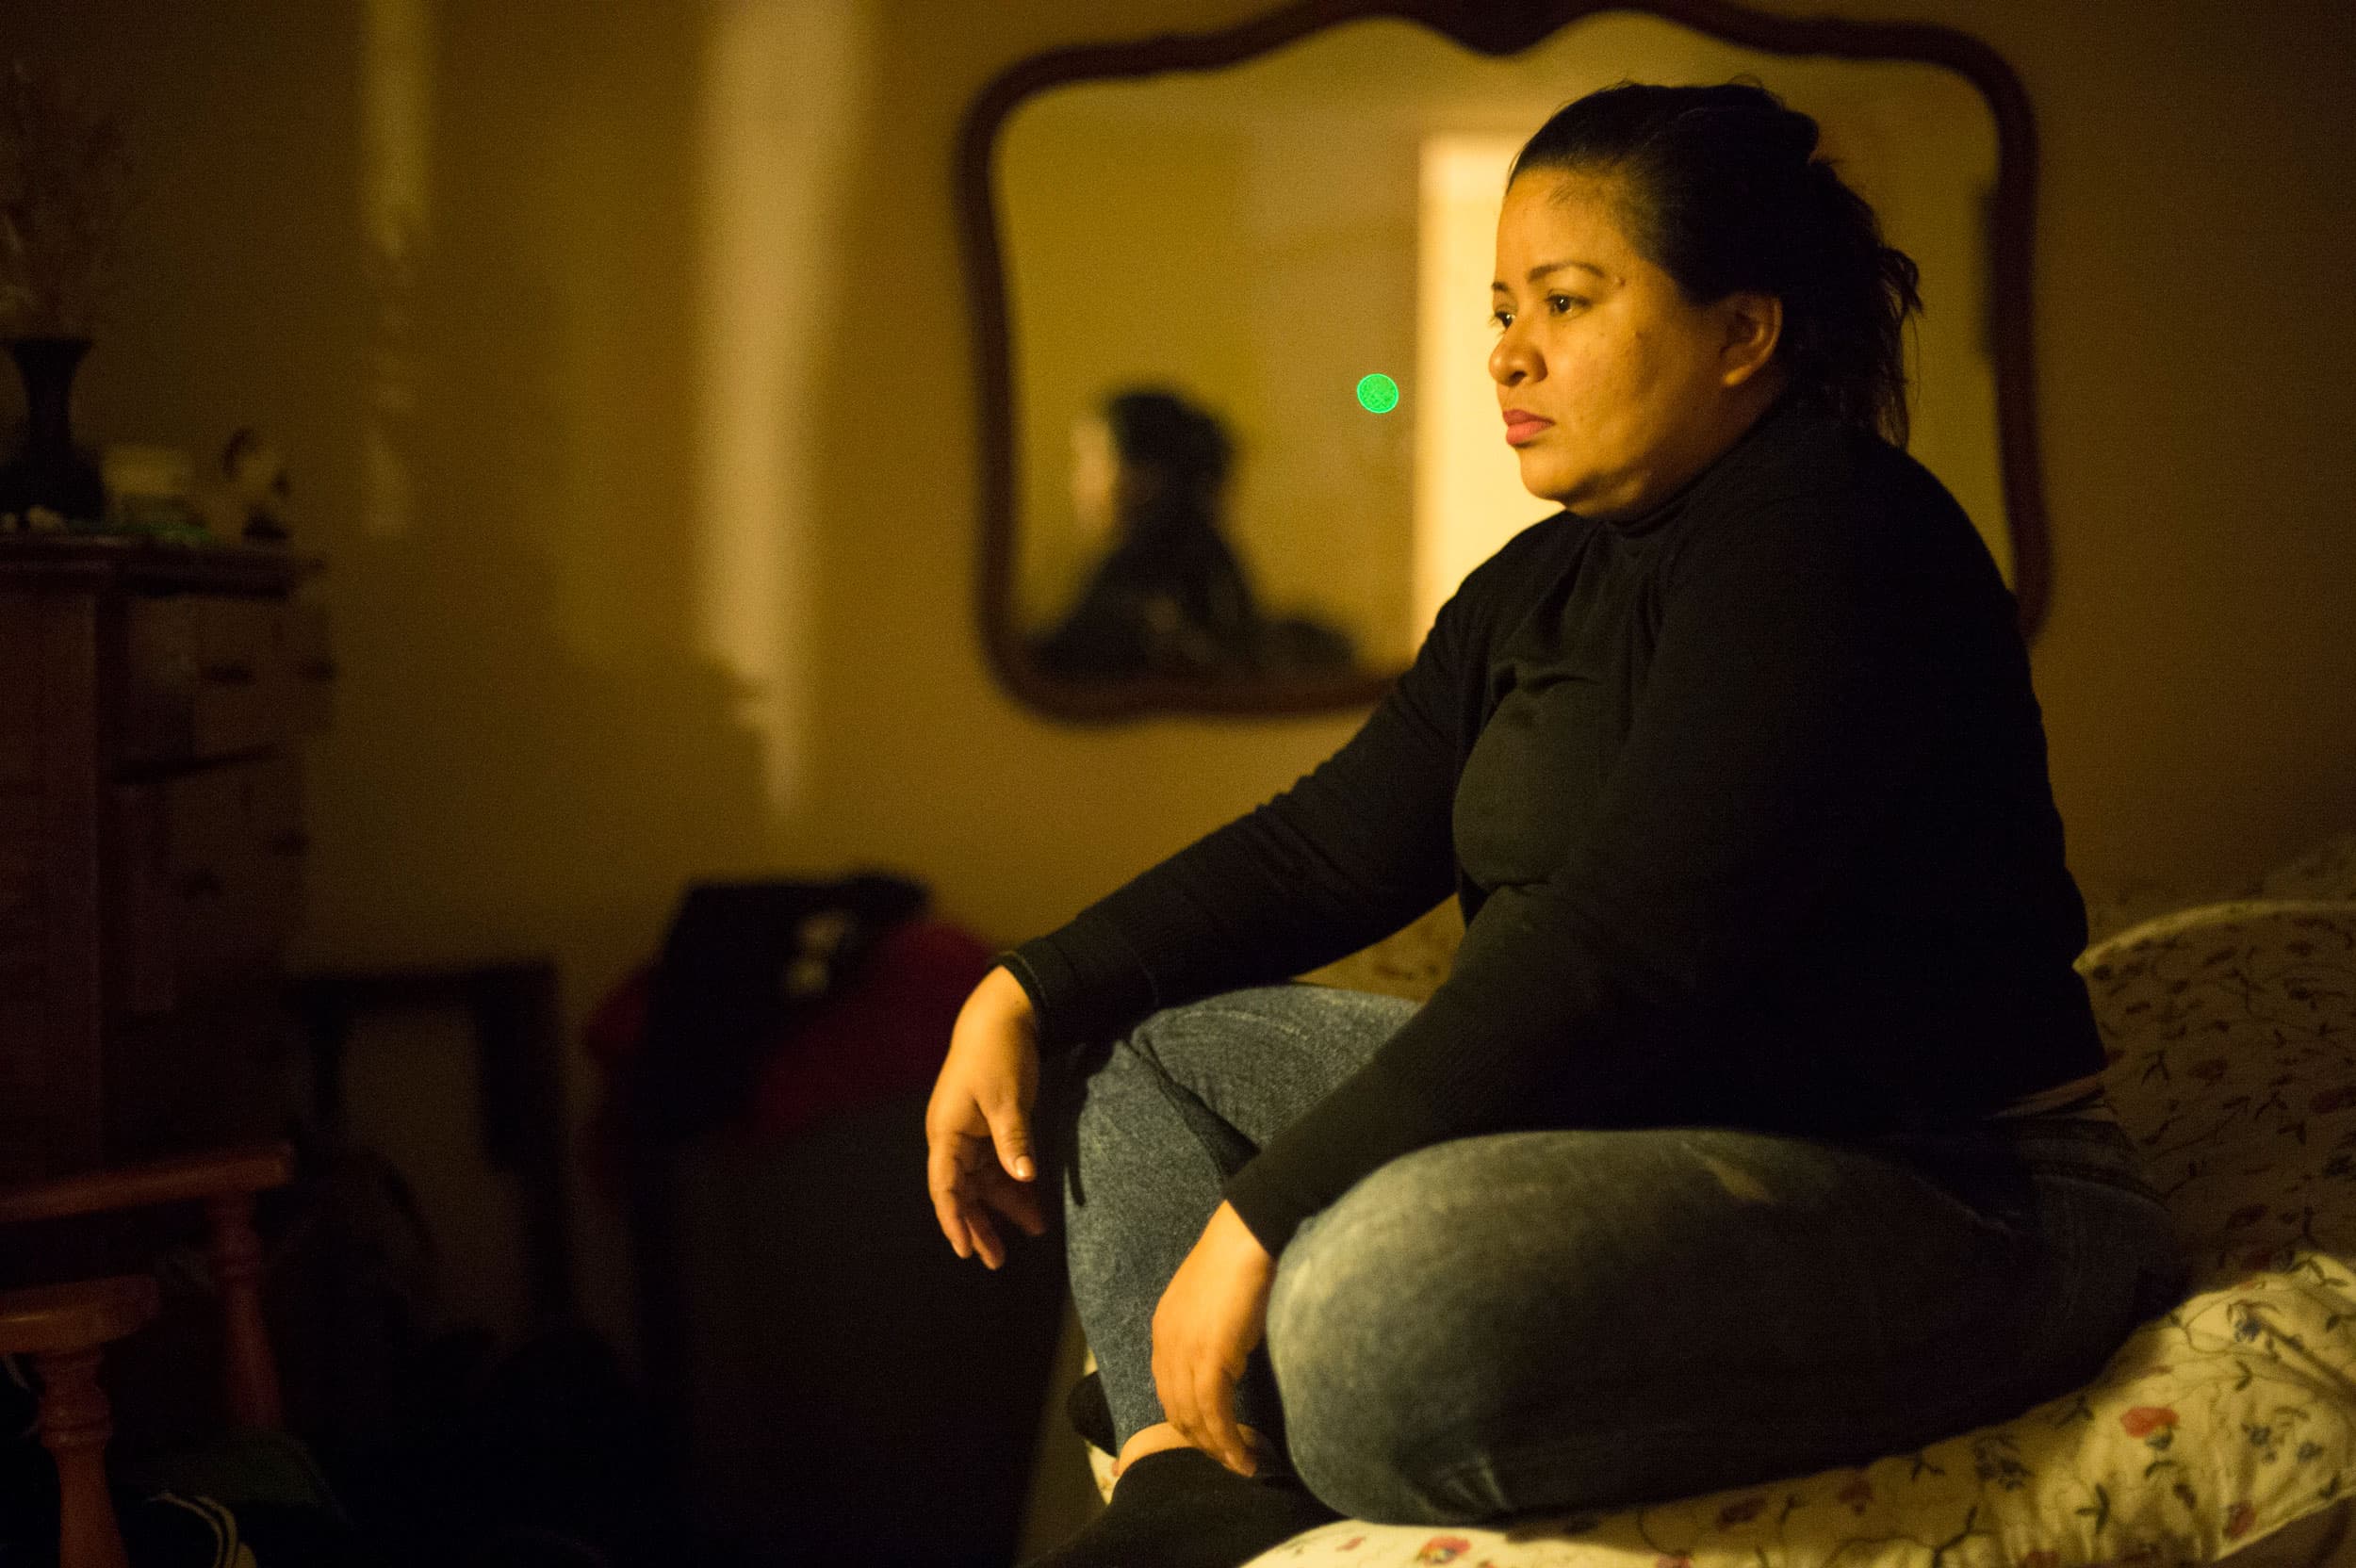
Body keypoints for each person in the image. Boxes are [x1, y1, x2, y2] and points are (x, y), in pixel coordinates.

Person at [928, 82, 2184, 1568]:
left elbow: (1631, 941)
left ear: (1744, 332)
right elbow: (1323, 848)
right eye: (1502, 307)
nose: (1507, 352)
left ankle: (1256, 1406)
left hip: (1946, 1190)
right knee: (1156, 1060)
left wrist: (1266, 1219)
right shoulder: (1541, 583)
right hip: (1644, 1122)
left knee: (1374, 1307)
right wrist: (1024, 987)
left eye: (1569, 301)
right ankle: (1175, 1480)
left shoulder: (1839, 534)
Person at [1030, 388, 1355, 681]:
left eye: (1090, 463)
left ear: (1144, 476)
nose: (1077, 484)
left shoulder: (1144, 574)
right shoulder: (1209, 554)